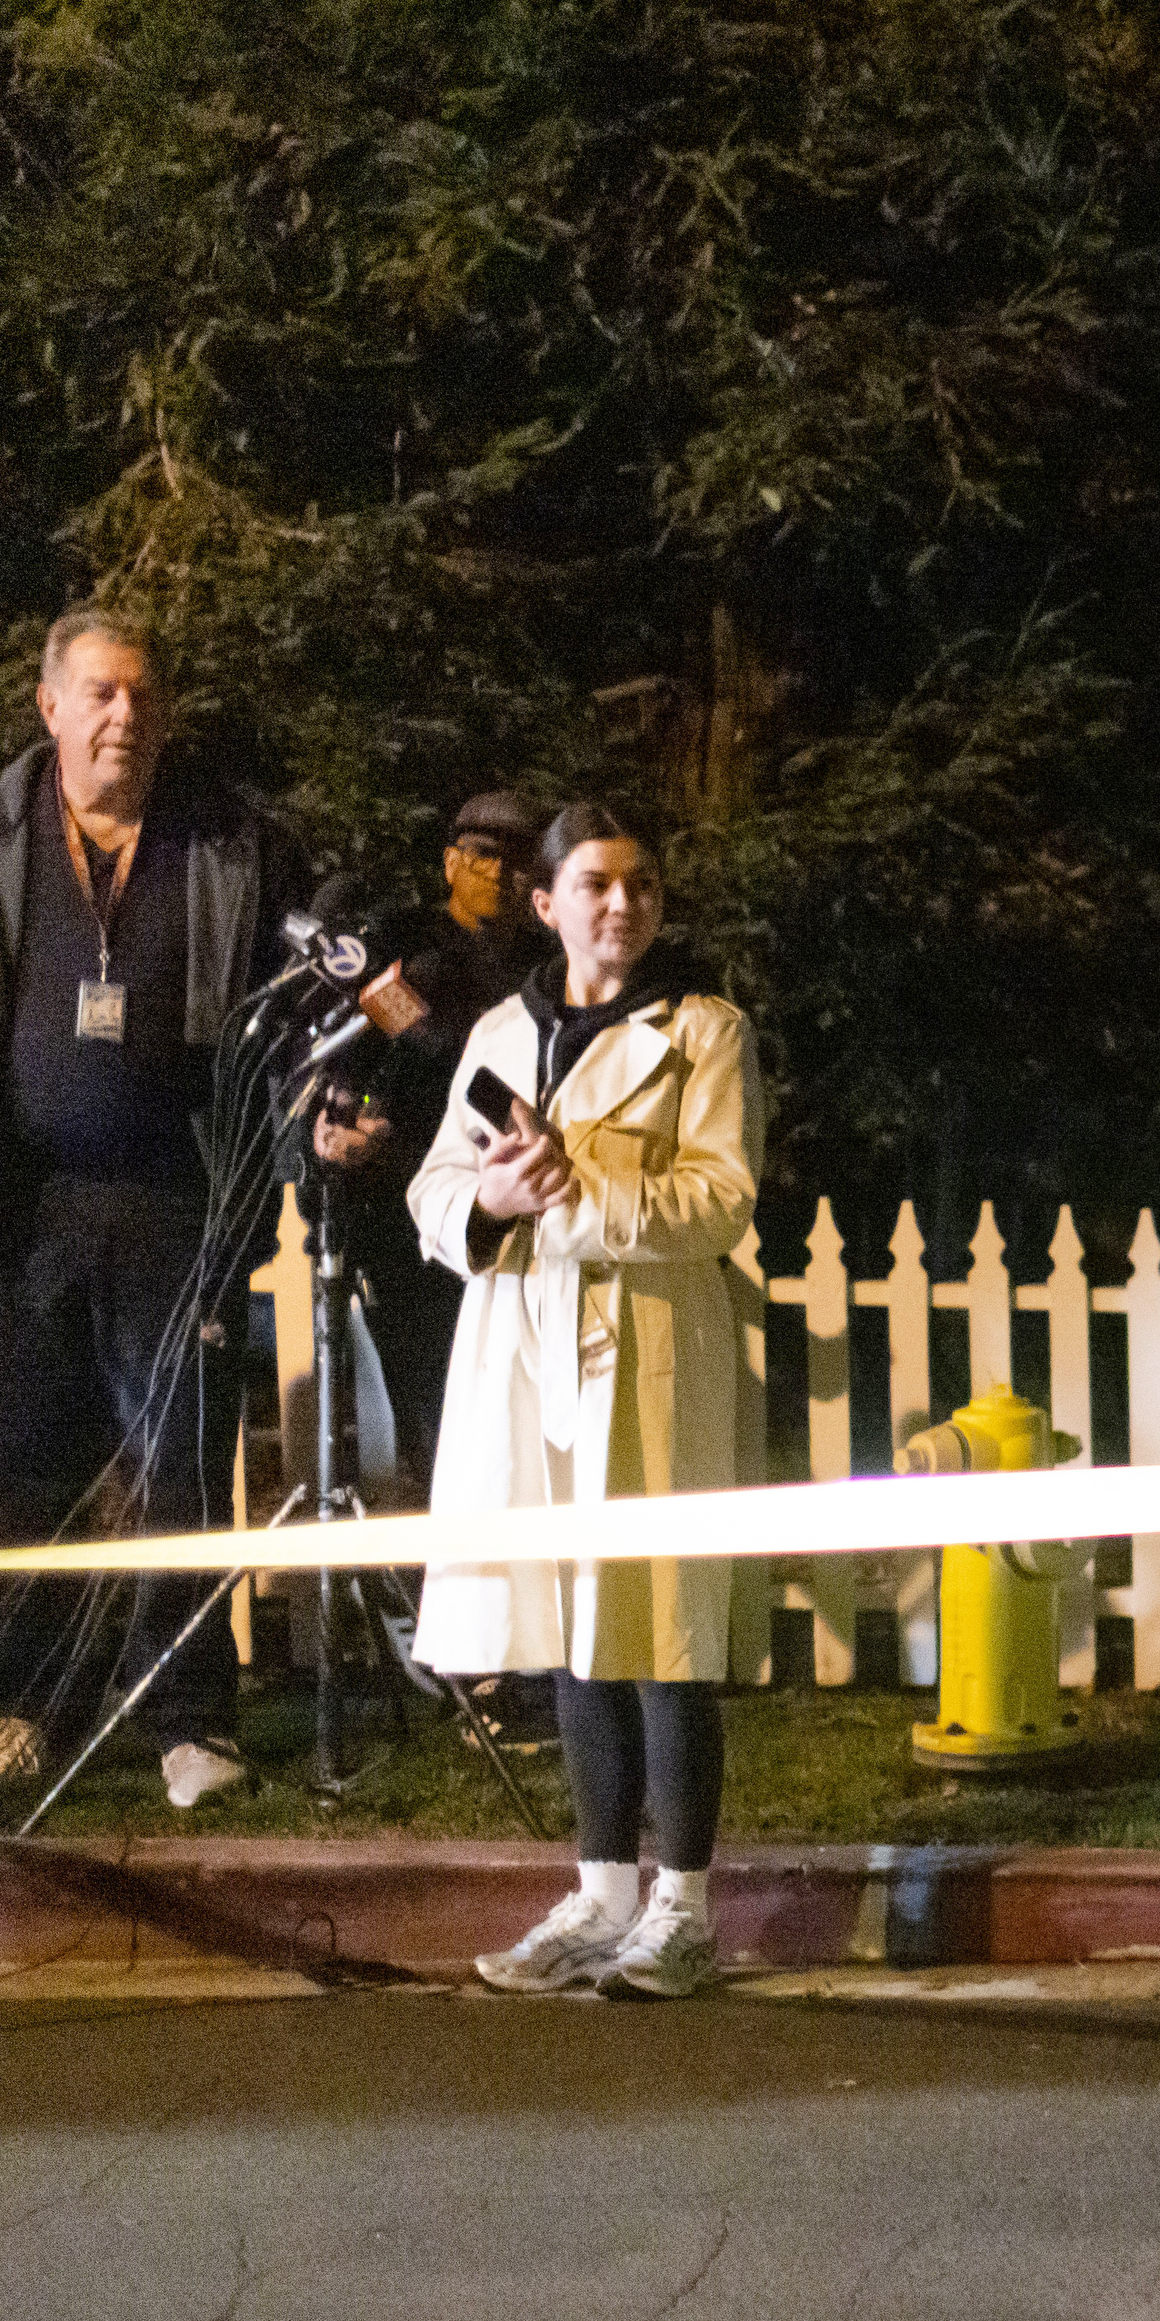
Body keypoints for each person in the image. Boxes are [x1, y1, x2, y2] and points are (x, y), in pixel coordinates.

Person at [0, 607, 307, 1811]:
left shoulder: (227, 843)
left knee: (180, 1470)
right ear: (48, 706)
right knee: (23, 1470)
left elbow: (288, 1010)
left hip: (173, 1198)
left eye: (143, 696)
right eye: (100, 693)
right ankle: (27, 1712)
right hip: (16, 1204)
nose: (125, 717)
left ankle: (190, 1720)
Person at [409, 804, 762, 1998]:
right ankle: (604, 1885)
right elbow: (435, 1186)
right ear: (547, 902)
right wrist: (495, 1200)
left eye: (644, 884)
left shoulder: (701, 1031)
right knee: (571, 1619)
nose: (624, 904)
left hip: (649, 1336)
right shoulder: (503, 1031)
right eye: (598, 884)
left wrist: (580, 1187)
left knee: (660, 1619)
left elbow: (719, 1198)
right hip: (525, 1335)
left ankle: (686, 1902)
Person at [308, 790, 552, 1480]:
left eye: (518, 862)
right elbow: (360, 1038)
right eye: (482, 858)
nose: (500, 875)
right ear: (450, 863)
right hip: (412, 1217)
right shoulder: (405, 943)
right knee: (432, 1421)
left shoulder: (548, 969)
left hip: (520, 1218)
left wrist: (428, 1034)